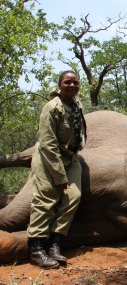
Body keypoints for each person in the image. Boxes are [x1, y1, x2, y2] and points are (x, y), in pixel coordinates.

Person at [27, 70, 87, 269]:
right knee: (46, 198)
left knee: (73, 196)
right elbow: (47, 144)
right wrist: (59, 175)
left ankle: (54, 244)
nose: (72, 86)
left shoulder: (78, 105)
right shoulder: (51, 108)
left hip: (71, 158)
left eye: (75, 82)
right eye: (67, 82)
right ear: (60, 85)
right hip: (49, 158)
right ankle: (36, 250)